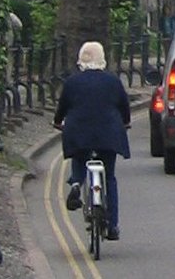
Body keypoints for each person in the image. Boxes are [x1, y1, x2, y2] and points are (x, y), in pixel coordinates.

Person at [53, 41, 131, 241]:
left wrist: (57, 122)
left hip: (79, 132)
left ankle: (77, 183)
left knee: (80, 157)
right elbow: (124, 105)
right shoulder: (113, 81)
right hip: (109, 134)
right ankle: (112, 226)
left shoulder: (72, 82)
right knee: (110, 177)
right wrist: (126, 122)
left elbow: (62, 108)